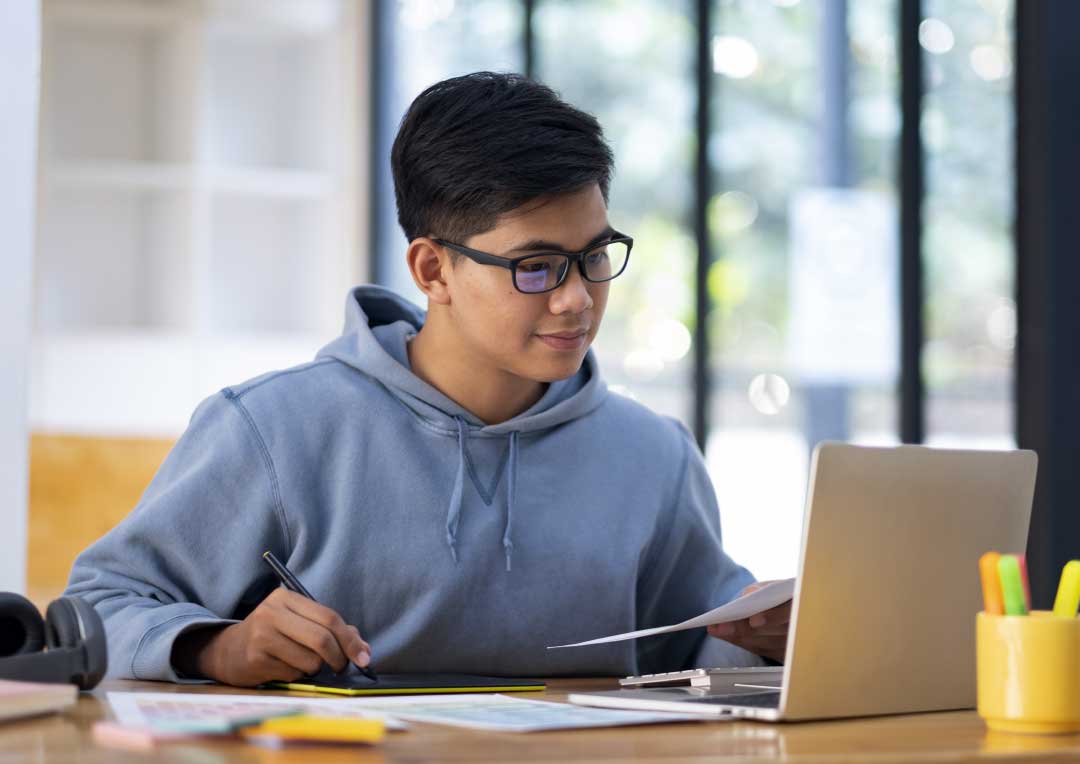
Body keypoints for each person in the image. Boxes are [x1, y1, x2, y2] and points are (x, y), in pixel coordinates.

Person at [65, 71, 789, 687]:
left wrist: (772, 638)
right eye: (536, 267)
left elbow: (693, 660)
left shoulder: (653, 456)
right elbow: (99, 604)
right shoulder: (272, 430)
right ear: (432, 270)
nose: (576, 298)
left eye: (596, 256)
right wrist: (216, 646)